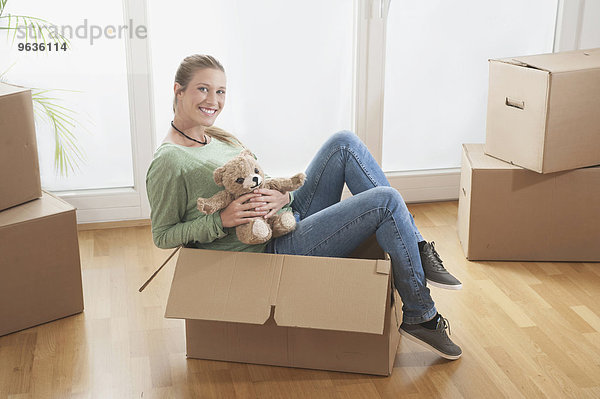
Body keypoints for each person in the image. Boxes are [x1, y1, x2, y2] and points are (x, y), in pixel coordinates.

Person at [146, 54, 463, 360]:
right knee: (386, 201)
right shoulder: (169, 161)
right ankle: (421, 314)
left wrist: (284, 196)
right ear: (178, 90)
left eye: (220, 91)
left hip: (284, 218)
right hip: (266, 250)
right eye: (203, 89)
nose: (213, 100)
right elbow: (163, 235)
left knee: (343, 142)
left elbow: (257, 177)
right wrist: (221, 221)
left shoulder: (217, 137)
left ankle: (418, 248)